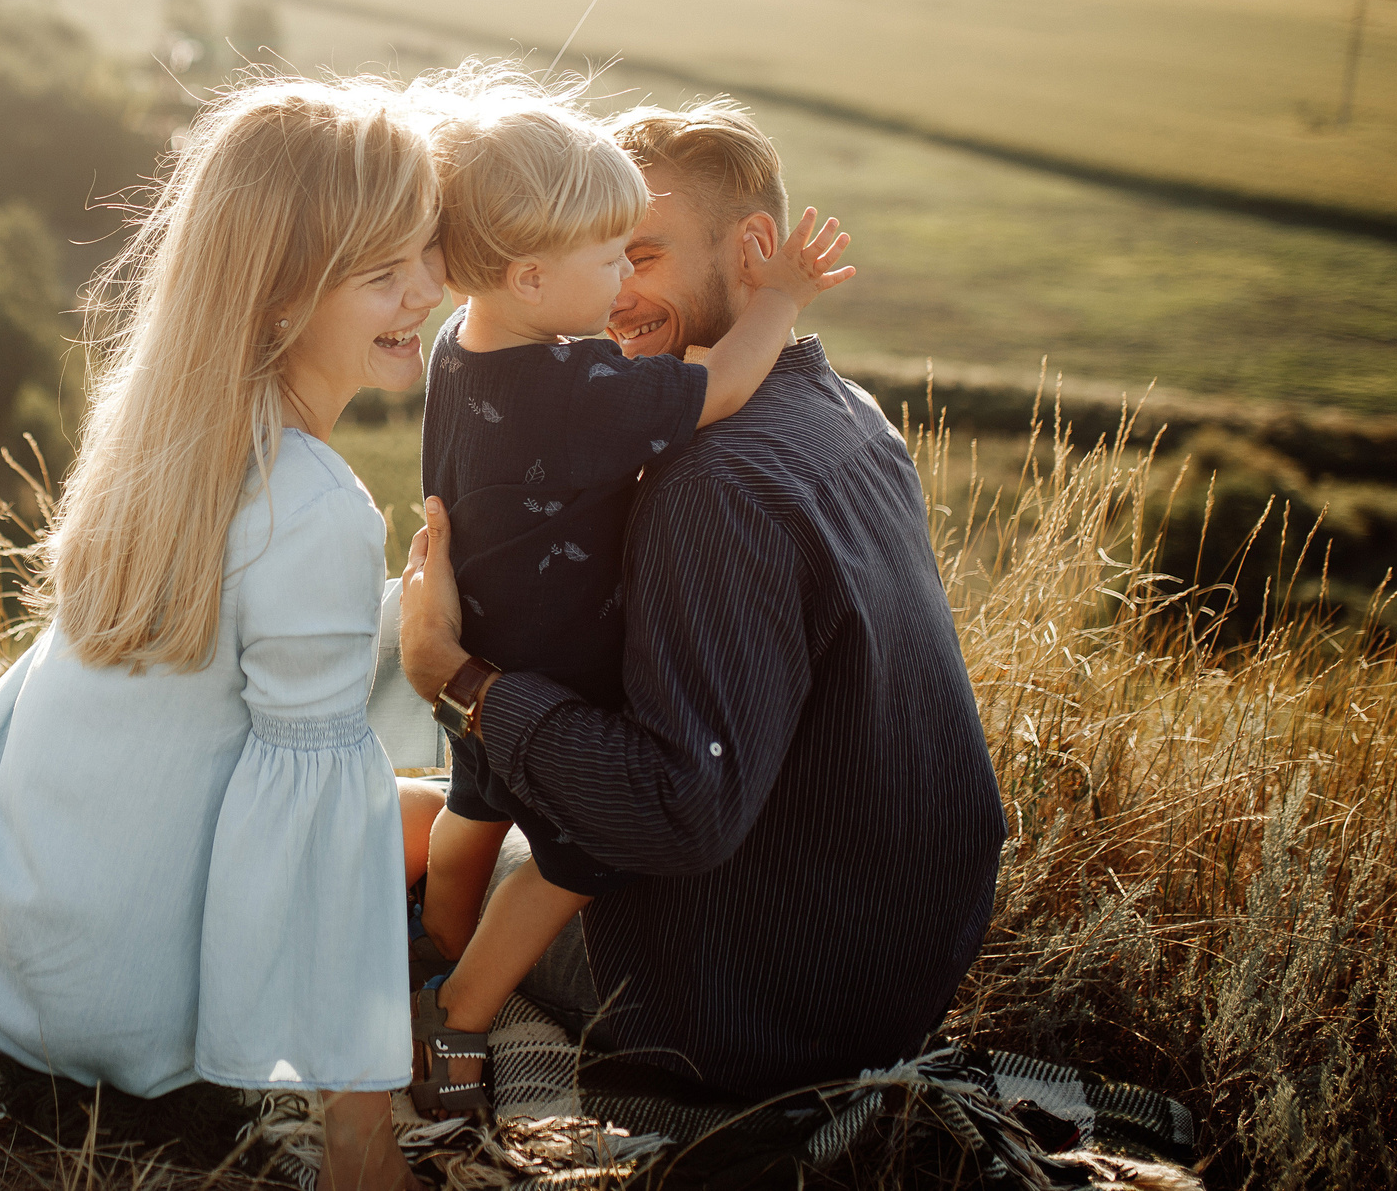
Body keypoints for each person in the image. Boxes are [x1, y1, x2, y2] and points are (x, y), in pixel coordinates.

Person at [0, 77, 446, 1191]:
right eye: (384, 273)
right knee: (453, 814)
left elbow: (214, 663)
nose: (427, 291)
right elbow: (322, 827)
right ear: (280, 298)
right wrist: (361, 1125)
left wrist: (401, 621)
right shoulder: (316, 502)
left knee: (400, 764)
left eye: (428, 252)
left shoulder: (161, 419)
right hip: (113, 1000)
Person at [397, 97, 1007, 1102]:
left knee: (374, 841)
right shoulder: (838, 409)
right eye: (597, 254)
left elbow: (676, 814)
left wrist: (456, 679)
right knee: (441, 804)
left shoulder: (712, 486)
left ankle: (441, 1009)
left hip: (741, 997)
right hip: (884, 955)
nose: (610, 297)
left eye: (635, 255)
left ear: (758, 251)